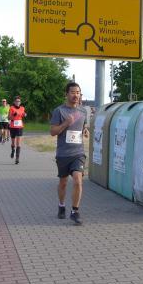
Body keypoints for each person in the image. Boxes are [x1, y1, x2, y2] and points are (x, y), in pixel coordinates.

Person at [49, 81, 89, 225]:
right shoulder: (59, 111)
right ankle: (61, 205)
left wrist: (85, 130)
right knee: (63, 182)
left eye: (78, 93)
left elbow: (83, 125)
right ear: (66, 94)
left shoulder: (83, 111)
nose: (76, 95)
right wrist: (66, 123)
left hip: (78, 153)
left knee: (78, 180)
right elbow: (53, 132)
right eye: (73, 92)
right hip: (63, 154)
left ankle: (75, 211)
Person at [8, 96, 27, 164]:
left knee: (18, 143)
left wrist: (25, 114)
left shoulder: (22, 108)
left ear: (20, 102)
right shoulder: (11, 108)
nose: (17, 102)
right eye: (16, 101)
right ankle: (13, 150)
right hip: (12, 127)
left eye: (19, 101)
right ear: (14, 102)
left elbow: (23, 114)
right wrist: (13, 115)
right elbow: (9, 117)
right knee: (13, 142)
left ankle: (17, 158)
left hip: (19, 126)